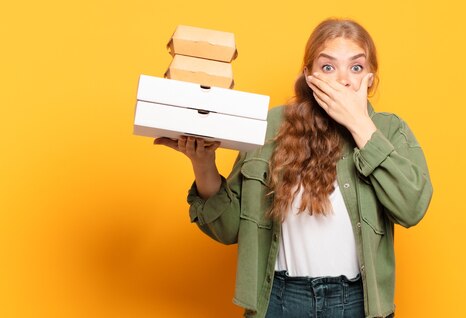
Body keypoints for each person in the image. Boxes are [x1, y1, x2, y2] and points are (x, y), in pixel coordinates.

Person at [155, 18, 433, 318]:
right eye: (328, 67)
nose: (343, 80)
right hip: (280, 300)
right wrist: (203, 163)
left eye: (355, 67)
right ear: (309, 76)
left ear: (370, 78)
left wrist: (359, 124)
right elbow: (230, 229)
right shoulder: (272, 126)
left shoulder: (389, 131)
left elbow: (411, 208)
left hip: (356, 304)